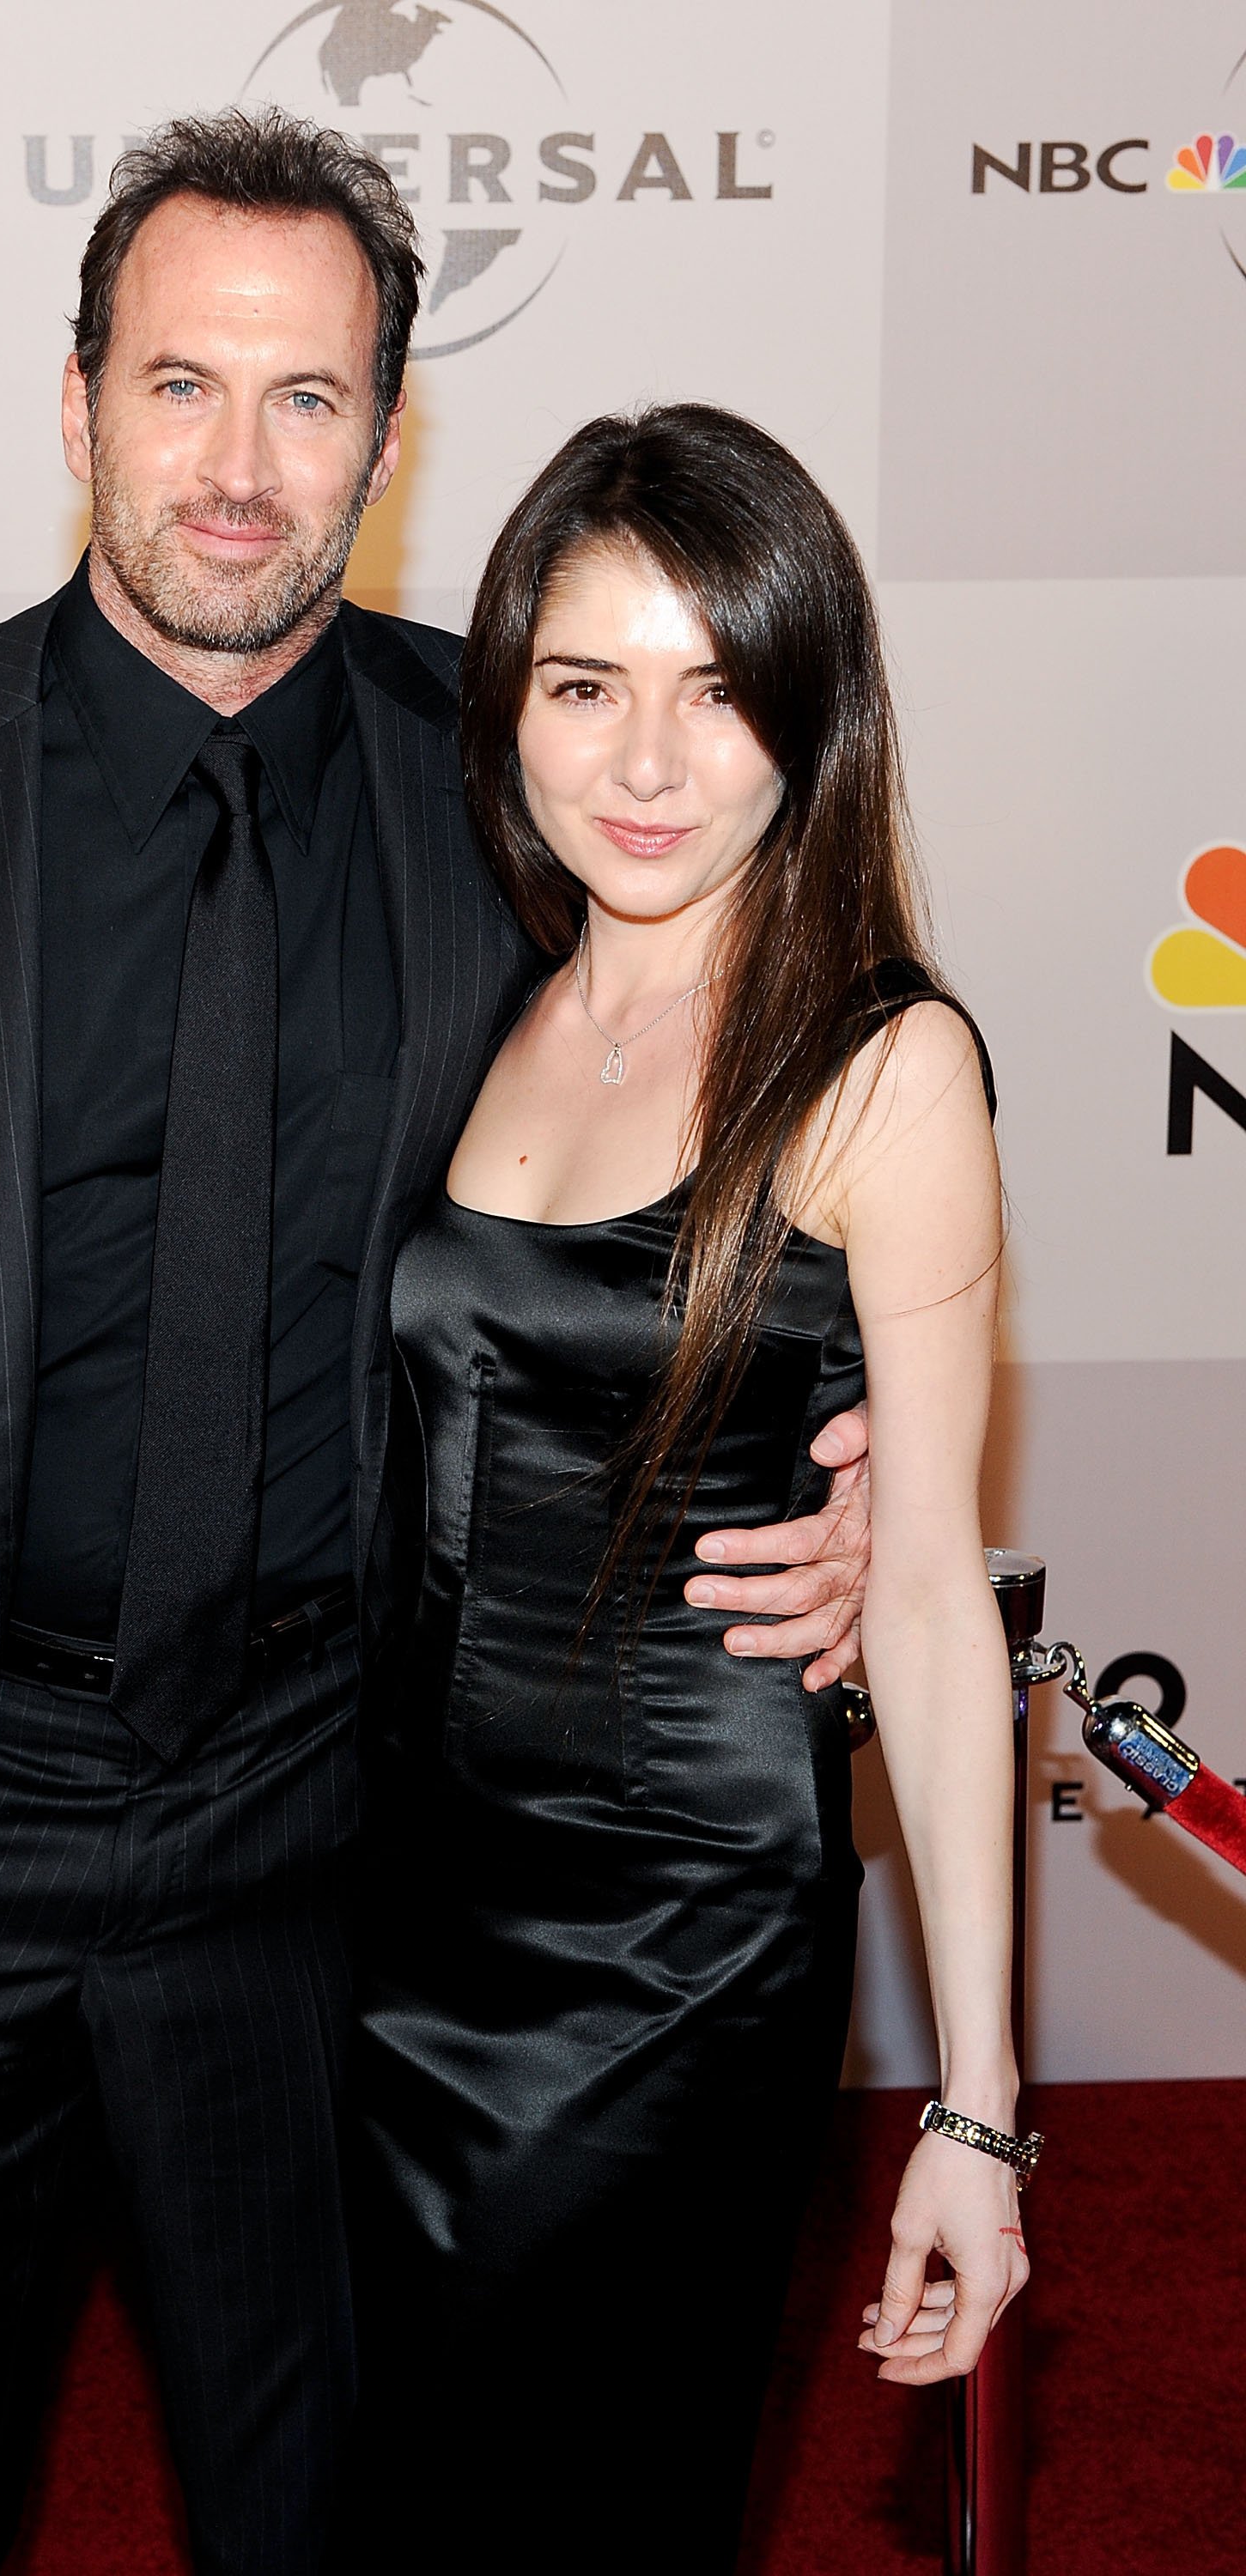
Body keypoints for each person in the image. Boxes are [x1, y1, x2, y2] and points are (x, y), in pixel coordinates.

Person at [0, 115, 870, 2576]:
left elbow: (774, 1122)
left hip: (318, 1835)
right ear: (76, 408)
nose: (242, 468)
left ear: (392, 441)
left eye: (310, 401)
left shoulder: (515, 787)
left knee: (342, 2522)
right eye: (183, 386)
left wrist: (858, 1429)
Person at [349, 405, 1030, 2573]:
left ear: (804, 713)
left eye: (714, 689)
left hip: (668, 1937)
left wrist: (977, 2114)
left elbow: (922, 1599)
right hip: (401, 1906)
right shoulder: (499, 995)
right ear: (508, 705)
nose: (644, 763)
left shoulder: (873, 1059)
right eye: (583, 686)